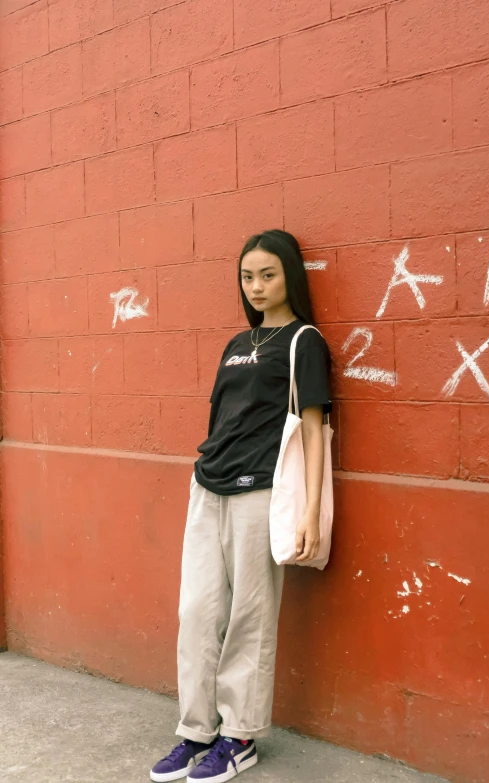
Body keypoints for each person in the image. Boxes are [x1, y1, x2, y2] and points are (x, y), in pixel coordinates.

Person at [150, 229, 332, 783]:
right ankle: (196, 731)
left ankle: (240, 735)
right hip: (209, 486)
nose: (256, 286)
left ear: (290, 277)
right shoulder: (236, 344)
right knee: (197, 613)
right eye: (248, 276)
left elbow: (317, 430)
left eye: (268, 275)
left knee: (251, 616)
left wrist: (309, 513)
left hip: (261, 492)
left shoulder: (305, 341)